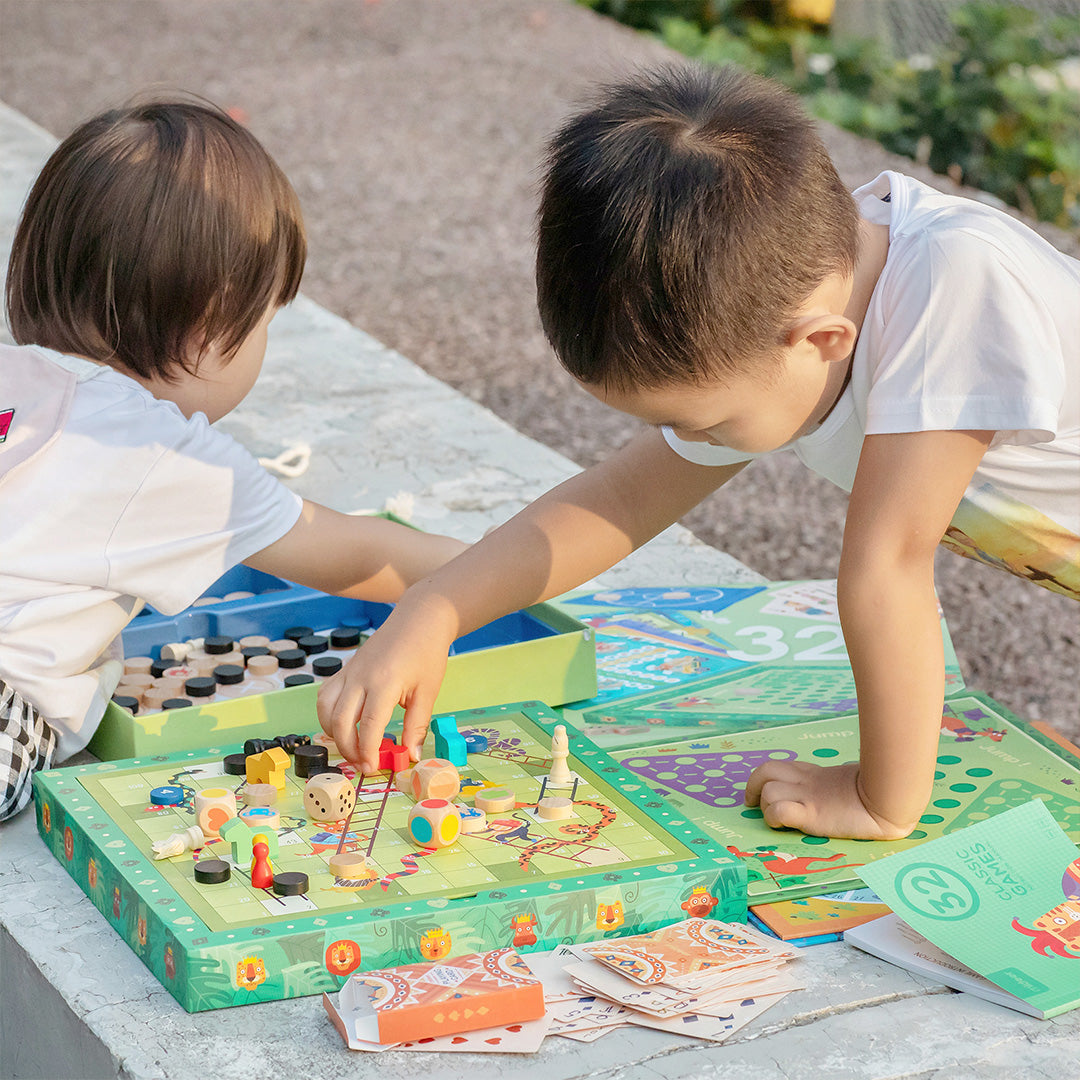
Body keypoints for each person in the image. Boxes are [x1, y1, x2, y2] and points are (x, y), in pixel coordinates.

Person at [317, 64, 1079, 840]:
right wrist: (435, 608)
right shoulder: (775, 285)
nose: (692, 443)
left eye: (705, 424)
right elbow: (618, 500)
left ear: (821, 342)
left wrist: (879, 797)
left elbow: (889, 566)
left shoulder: (956, 289)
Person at [0, 97, 466, 821]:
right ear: (213, 321)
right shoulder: (163, 453)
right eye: (265, 320)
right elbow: (354, 556)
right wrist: (501, 569)